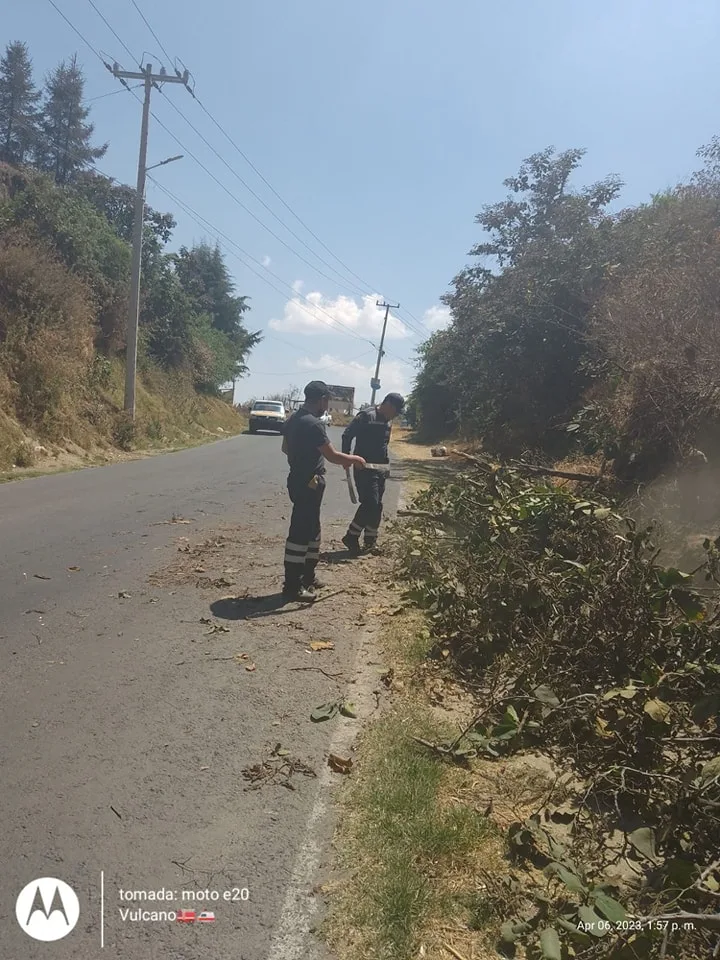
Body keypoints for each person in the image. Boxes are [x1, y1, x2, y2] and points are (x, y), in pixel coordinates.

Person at [281, 381, 366, 603]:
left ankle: (308, 577)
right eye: (327, 401)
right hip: (309, 481)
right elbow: (333, 456)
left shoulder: (293, 420)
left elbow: (285, 449)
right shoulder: (314, 424)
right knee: (300, 534)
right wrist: (354, 459)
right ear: (321, 400)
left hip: (298, 478)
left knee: (312, 530)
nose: (326, 405)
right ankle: (292, 586)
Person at [341, 392, 405, 554]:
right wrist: (347, 458)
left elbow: (384, 446)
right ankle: (351, 536)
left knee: (377, 506)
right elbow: (347, 435)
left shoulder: (388, 422)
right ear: (388, 405)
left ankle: (370, 541)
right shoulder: (366, 416)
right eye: (396, 411)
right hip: (364, 468)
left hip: (380, 469)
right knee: (370, 503)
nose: (396, 415)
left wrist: (386, 468)